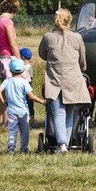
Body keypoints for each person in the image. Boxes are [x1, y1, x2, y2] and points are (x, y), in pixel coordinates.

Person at [38, 8, 90, 153]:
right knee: (69, 113)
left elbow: (42, 54)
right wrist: (82, 68)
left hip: (55, 80)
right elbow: (82, 60)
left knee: (58, 113)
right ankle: (64, 145)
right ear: (70, 21)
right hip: (73, 80)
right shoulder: (77, 37)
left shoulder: (48, 37)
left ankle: (62, 145)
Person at [0, 58, 45, 154]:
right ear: (23, 70)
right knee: (24, 131)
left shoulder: (7, 81)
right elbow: (31, 96)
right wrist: (42, 102)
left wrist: (3, 101)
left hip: (11, 111)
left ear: (10, 70)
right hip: (23, 111)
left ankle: (11, 148)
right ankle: (23, 149)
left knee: (12, 130)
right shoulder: (24, 82)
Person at [0, 0, 22, 126]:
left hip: (1, 58)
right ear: (13, 10)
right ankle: (6, 122)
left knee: (3, 91)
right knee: (9, 92)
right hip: (10, 59)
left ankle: (1, 120)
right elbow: (13, 44)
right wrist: (20, 61)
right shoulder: (8, 22)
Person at [19, 47, 36, 126]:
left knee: (30, 106)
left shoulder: (29, 67)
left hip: (28, 91)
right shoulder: (22, 66)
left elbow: (30, 79)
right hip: (23, 90)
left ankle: (32, 121)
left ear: (22, 57)